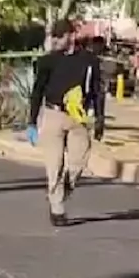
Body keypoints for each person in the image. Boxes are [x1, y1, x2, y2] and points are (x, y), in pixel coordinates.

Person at [27, 20, 106, 227]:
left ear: (71, 35)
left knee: (78, 161)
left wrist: (99, 118)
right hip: (53, 115)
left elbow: (98, 91)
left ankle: (62, 190)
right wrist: (32, 122)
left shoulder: (89, 61)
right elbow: (37, 92)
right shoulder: (47, 61)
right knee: (55, 165)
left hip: (78, 117)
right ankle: (57, 208)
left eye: (59, 37)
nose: (55, 41)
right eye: (54, 37)